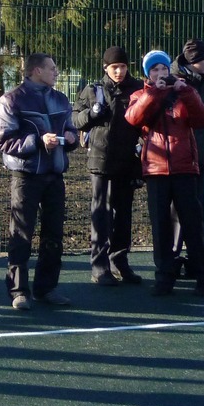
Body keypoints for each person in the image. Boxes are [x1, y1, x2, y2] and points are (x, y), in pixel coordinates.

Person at [0, 53, 78, 310]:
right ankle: (18, 291)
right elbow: (4, 140)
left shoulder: (61, 99)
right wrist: (38, 142)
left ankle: (46, 288)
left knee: (54, 234)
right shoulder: (11, 100)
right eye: (52, 68)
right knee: (21, 233)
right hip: (26, 177)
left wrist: (70, 137)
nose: (57, 72)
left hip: (55, 176)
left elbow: (70, 128)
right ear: (37, 70)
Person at [125, 50, 204, 297]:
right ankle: (165, 276)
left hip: (185, 167)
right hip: (155, 169)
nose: (161, 73)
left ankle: (203, 274)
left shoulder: (184, 92)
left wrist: (185, 91)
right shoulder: (140, 94)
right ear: (147, 74)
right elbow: (133, 118)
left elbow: (202, 119)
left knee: (192, 224)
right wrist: (154, 92)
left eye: (164, 68)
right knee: (160, 226)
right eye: (154, 70)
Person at [72, 46, 144, 286]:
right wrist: (92, 114)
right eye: (115, 67)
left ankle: (120, 262)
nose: (120, 71)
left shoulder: (137, 89)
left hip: (127, 162)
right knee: (101, 214)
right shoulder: (93, 90)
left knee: (123, 215)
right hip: (100, 161)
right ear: (106, 67)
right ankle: (100, 267)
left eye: (123, 66)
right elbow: (76, 119)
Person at [170, 39, 204, 278]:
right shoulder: (179, 83)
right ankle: (173, 258)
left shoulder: (203, 80)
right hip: (185, 158)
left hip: (201, 155)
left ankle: (194, 259)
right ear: (194, 60)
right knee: (181, 211)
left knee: (195, 209)